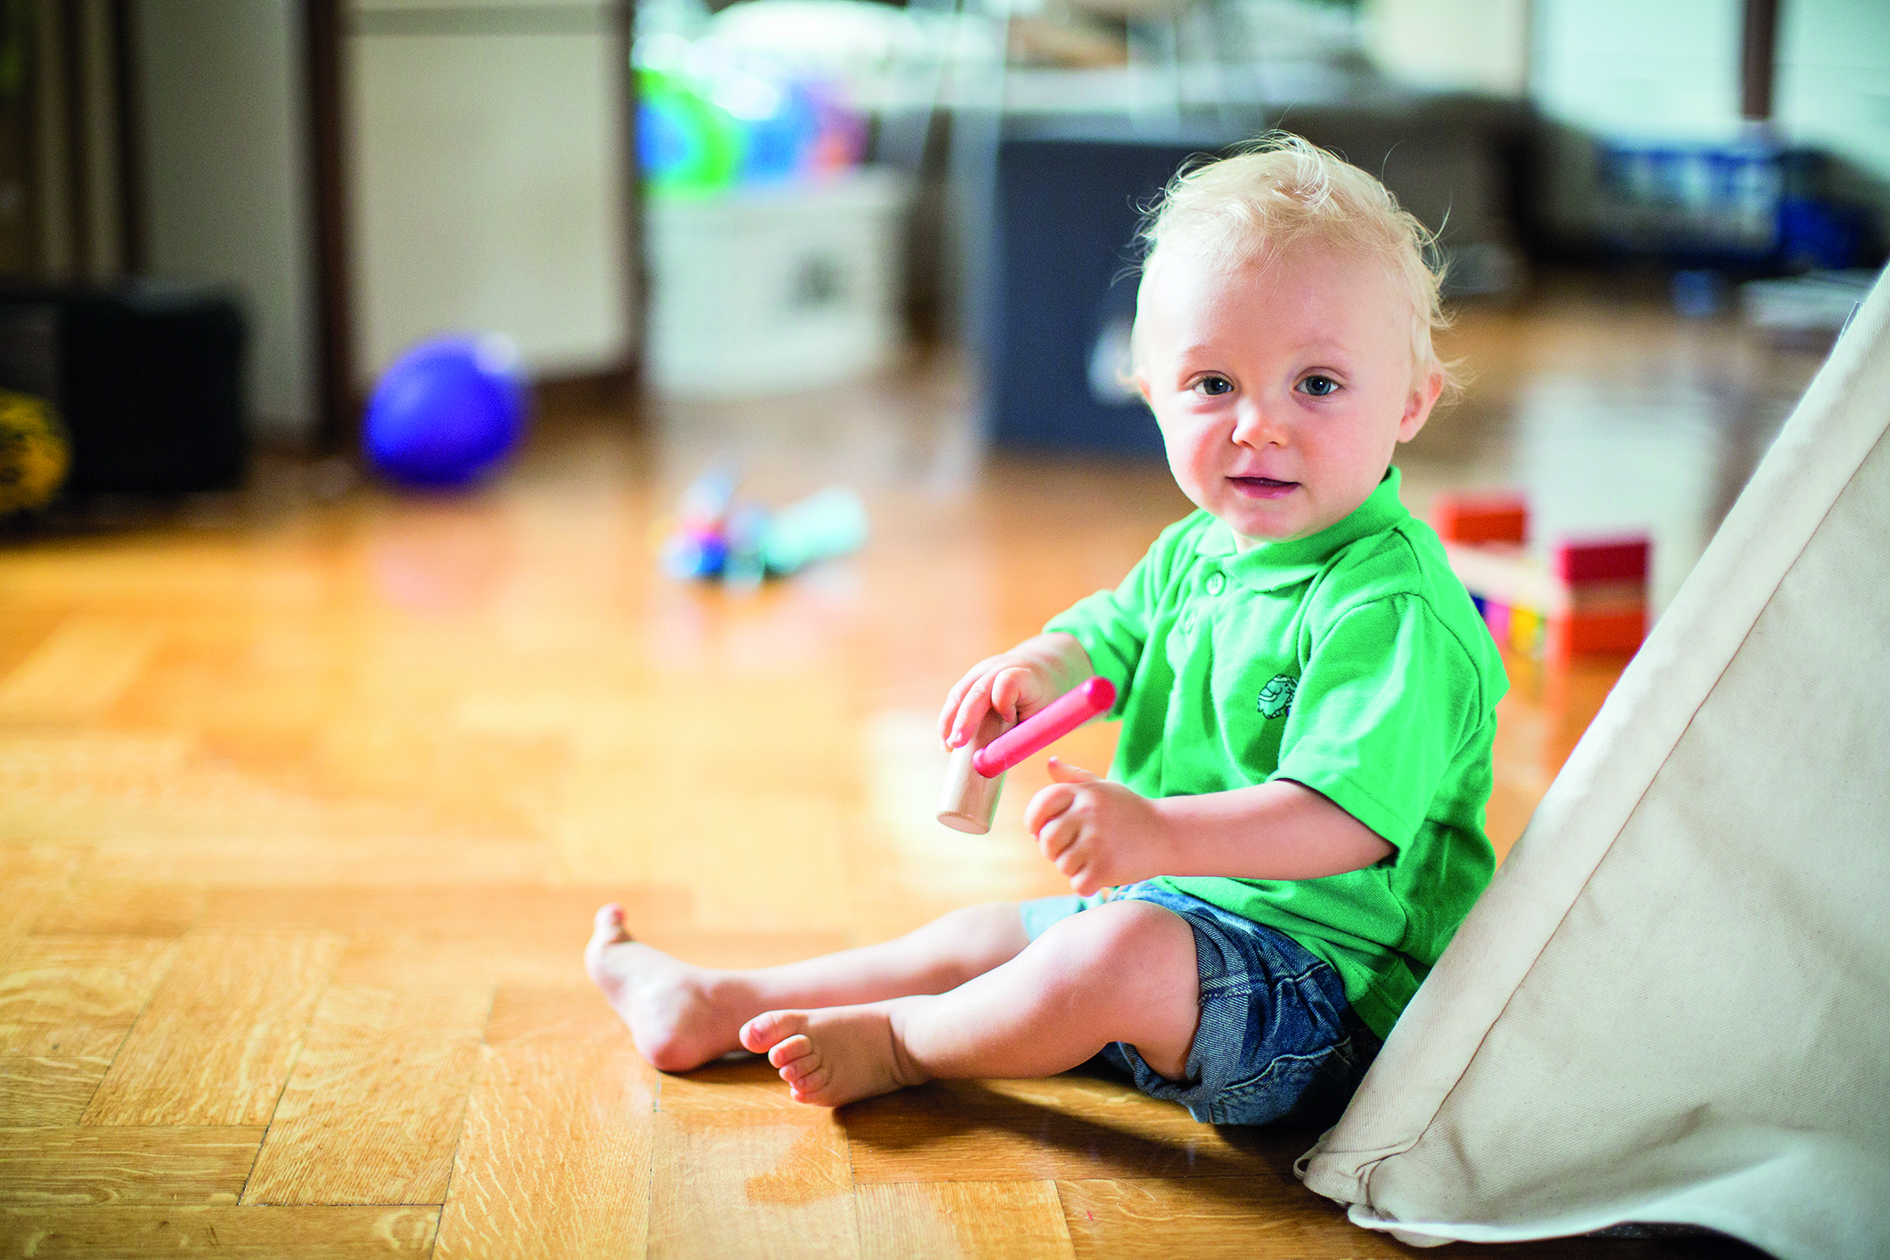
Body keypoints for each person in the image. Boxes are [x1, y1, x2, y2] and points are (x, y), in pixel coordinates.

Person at [587, 133, 1506, 1124]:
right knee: (979, 939)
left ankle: (901, 1045)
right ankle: (718, 1004)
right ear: (1149, 391)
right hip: (1176, 920)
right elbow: (1114, 635)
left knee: (1108, 954)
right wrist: (1040, 668)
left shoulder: (1390, 606)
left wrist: (1156, 832)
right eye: (1213, 385)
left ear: (1411, 402)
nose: (1259, 426)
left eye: (1317, 384)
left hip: (1328, 996)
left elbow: (1344, 822)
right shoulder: (1201, 549)